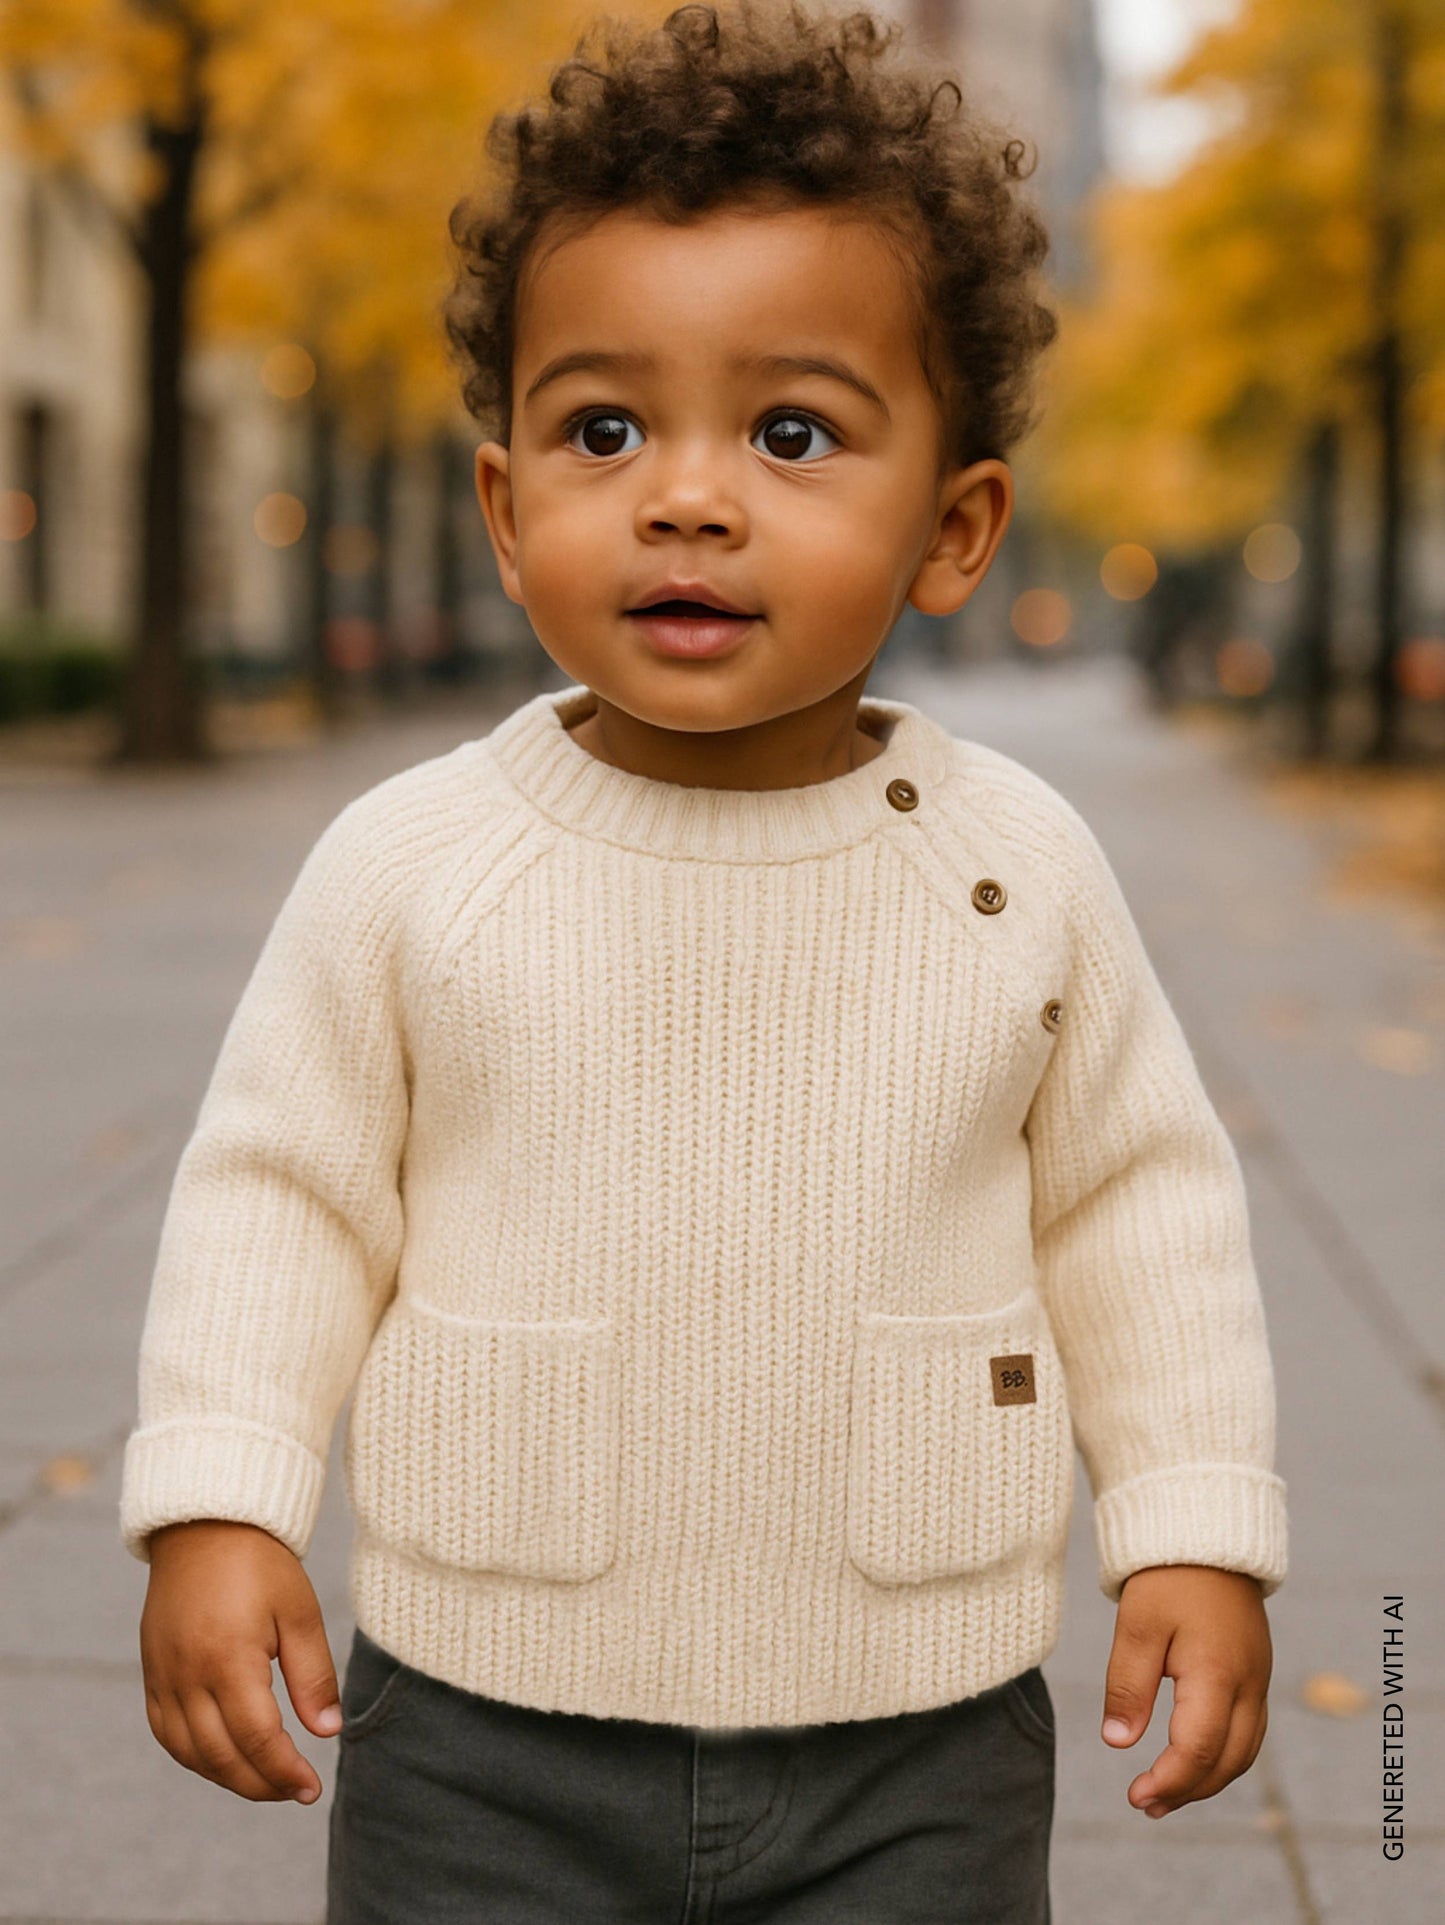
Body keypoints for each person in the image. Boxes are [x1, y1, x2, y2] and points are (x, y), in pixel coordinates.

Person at [119, 4, 1288, 1918]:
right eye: (603, 427)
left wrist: (1190, 1528)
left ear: (955, 524)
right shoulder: (418, 864)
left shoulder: (1014, 873)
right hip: (485, 1723)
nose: (686, 492)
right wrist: (222, 1497)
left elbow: (1133, 1206)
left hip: (913, 1727)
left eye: (792, 431)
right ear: (507, 513)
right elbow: (283, 1193)